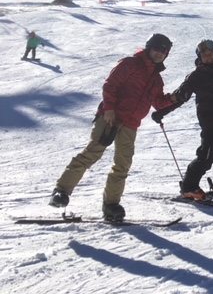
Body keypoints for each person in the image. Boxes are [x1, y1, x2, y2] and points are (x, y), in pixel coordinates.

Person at [49, 33, 177, 221]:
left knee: (122, 165)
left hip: (131, 125)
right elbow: (110, 85)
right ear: (149, 47)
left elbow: (158, 102)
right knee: (92, 153)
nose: (160, 53)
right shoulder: (130, 64)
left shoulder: (157, 80)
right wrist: (109, 109)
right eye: (157, 48)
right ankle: (61, 191)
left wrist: (173, 98)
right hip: (111, 118)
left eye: (164, 51)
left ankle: (111, 205)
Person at [152, 37, 213, 200]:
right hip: (211, 124)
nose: (209, 57)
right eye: (205, 55)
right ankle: (188, 186)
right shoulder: (196, 76)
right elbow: (181, 96)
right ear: (200, 57)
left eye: (211, 53)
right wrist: (162, 112)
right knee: (206, 157)